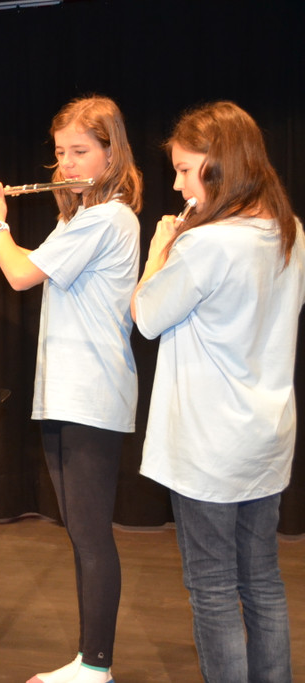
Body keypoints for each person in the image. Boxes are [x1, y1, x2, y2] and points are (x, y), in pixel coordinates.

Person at [0, 96, 142, 683]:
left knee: (90, 535)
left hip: (92, 390)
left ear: (112, 153)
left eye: (80, 151)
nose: (66, 164)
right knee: (81, 536)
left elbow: (19, 275)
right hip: (66, 390)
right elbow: (32, 265)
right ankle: (88, 662)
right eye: (60, 153)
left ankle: (97, 667)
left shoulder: (109, 218)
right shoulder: (79, 217)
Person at [132, 101, 303, 683]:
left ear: (222, 165)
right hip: (264, 439)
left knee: (212, 588)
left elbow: (145, 315)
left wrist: (159, 251)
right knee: (262, 580)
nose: (178, 184)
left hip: (209, 447)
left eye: (185, 170)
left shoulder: (206, 245)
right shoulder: (290, 232)